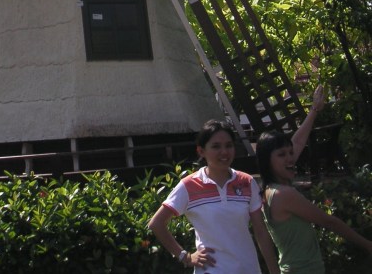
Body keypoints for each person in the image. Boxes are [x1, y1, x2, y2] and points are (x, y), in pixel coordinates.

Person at [257, 86, 372, 272]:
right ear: (267, 161)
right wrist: (367, 244)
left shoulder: (269, 191)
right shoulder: (284, 194)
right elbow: (329, 222)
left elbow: (298, 142)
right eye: (281, 155)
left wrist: (314, 110)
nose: (290, 158)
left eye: (290, 153)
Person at [148, 119, 279, 273]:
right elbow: (156, 223)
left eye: (229, 145)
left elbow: (260, 231)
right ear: (201, 151)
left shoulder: (247, 182)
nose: (224, 152)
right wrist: (185, 256)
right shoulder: (189, 185)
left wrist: (274, 270)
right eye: (216, 146)